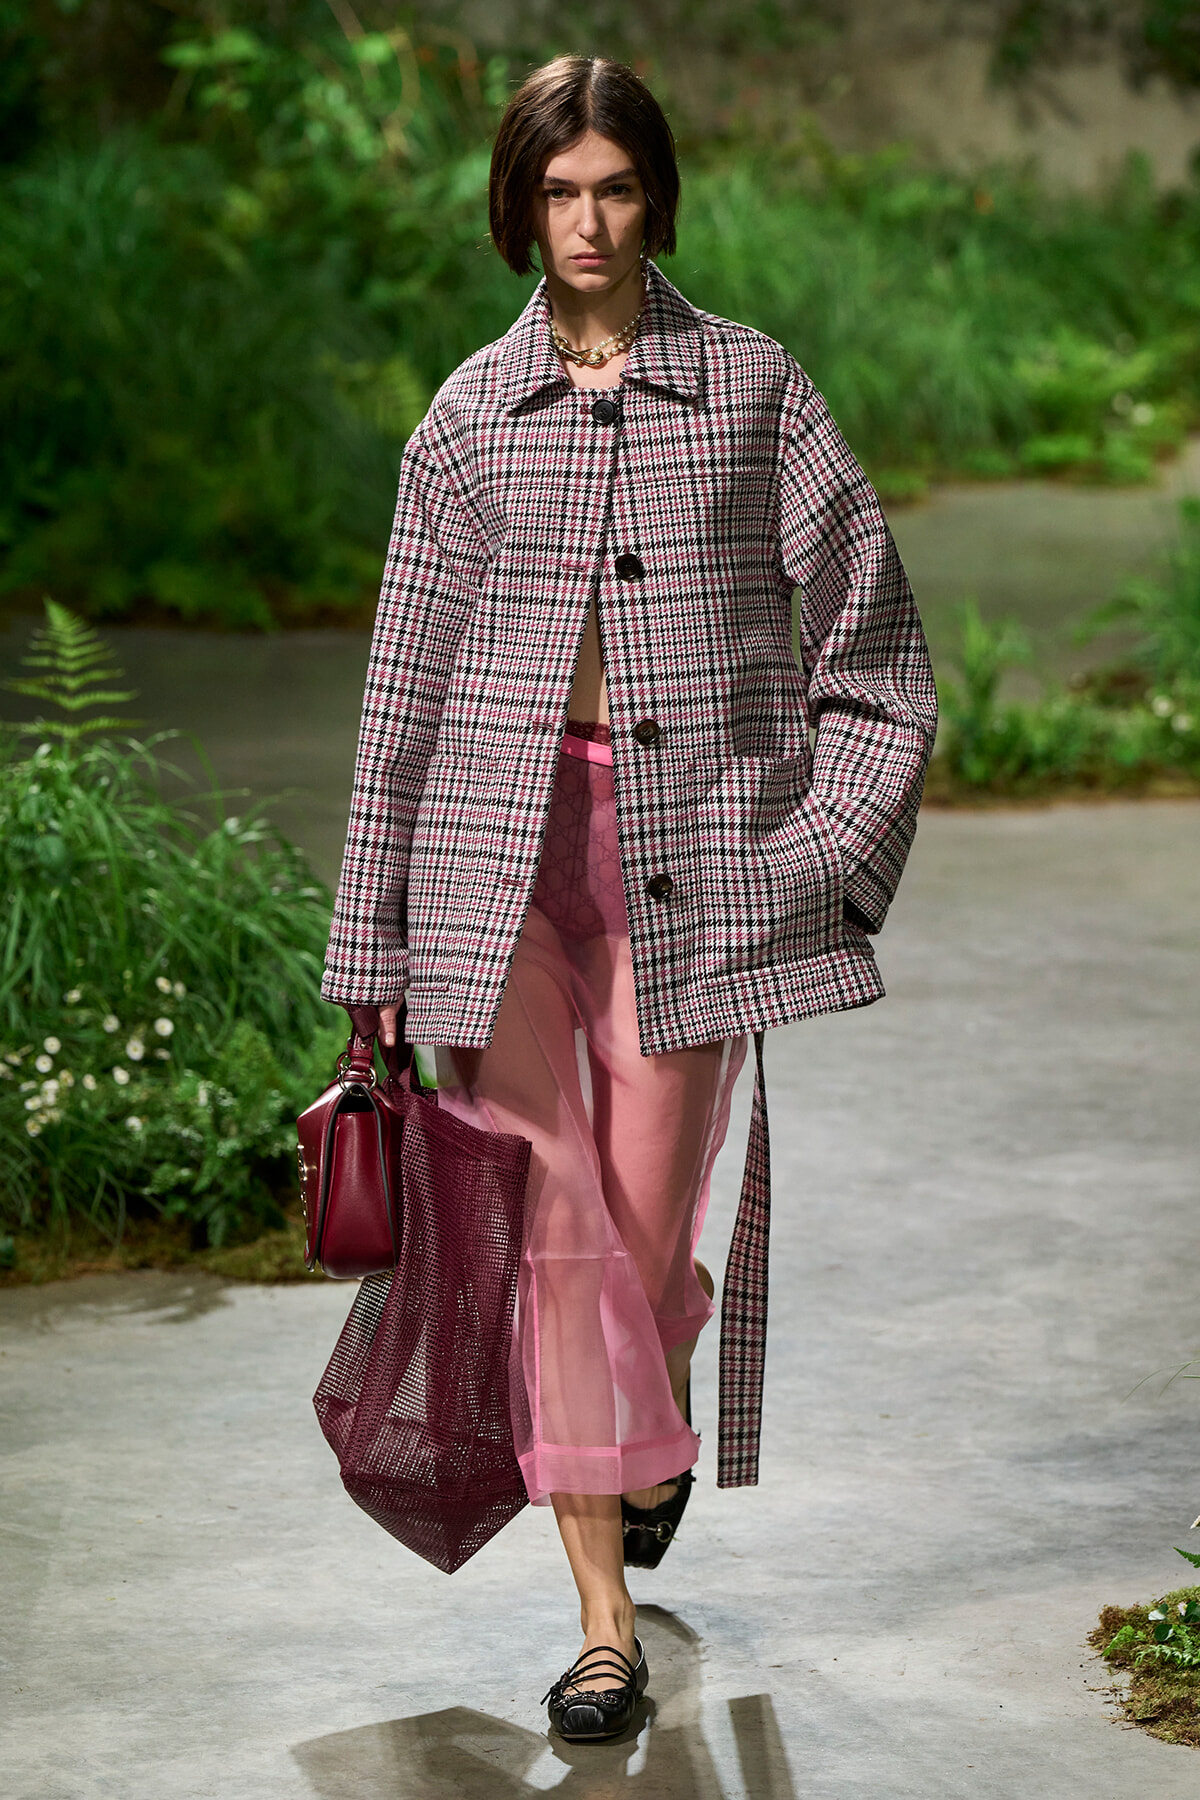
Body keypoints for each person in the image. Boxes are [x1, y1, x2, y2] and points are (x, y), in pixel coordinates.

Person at [323, 55, 936, 1743]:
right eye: (556, 191)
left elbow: (878, 653)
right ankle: (604, 1630)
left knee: (644, 1240)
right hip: (492, 876)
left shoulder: (754, 390)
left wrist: (810, 860)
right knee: (555, 1231)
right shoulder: (468, 417)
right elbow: (401, 692)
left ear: (655, 197)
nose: (585, 223)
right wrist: (373, 938)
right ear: (517, 207)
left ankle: (653, 1367)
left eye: (613, 188)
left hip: (695, 870)